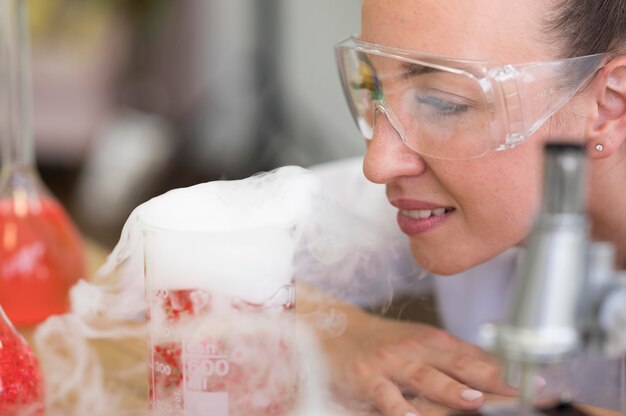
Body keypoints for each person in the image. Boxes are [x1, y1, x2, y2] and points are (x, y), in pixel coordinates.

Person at [298, 1, 626, 415]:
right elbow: (200, 243)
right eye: (371, 87)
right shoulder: (446, 195)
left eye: (443, 103)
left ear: (608, 106)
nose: (378, 165)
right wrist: (336, 337)